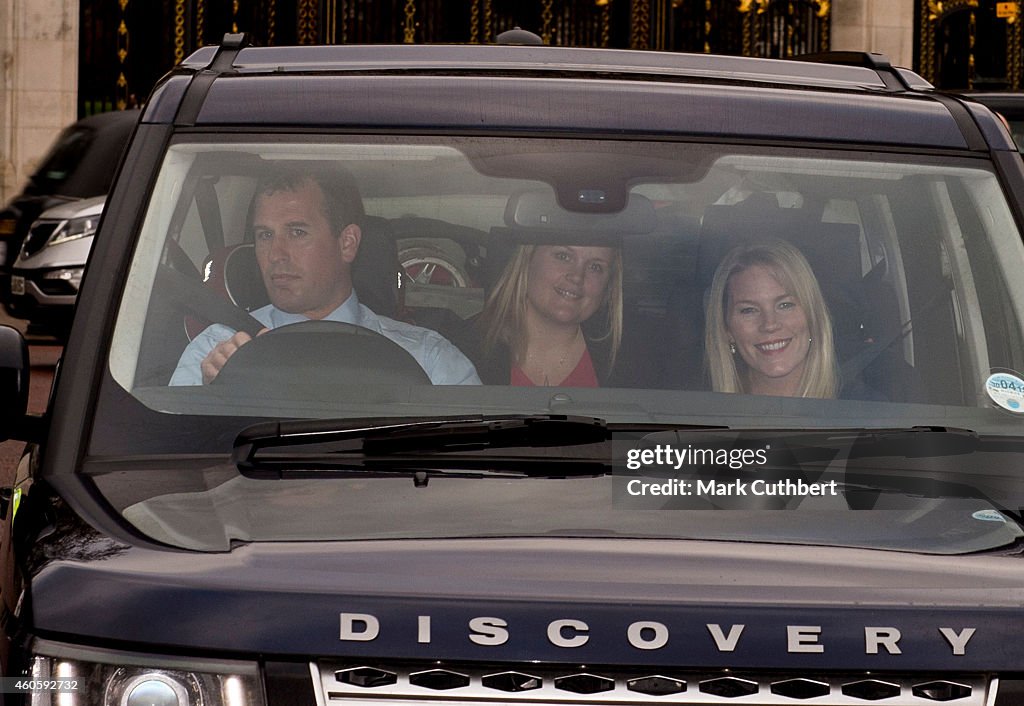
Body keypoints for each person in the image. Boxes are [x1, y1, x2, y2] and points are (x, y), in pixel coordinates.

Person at [170, 164, 480, 386]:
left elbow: (472, 467)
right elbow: (182, 468)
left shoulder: (428, 360)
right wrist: (213, 399)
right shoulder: (216, 353)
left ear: (347, 243)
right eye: (265, 235)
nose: (276, 253)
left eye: (297, 232)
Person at [457, 243, 623, 386]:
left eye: (595, 267)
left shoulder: (630, 362)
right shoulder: (460, 349)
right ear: (527, 260)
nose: (577, 277)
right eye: (563, 256)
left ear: (608, 286)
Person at [705, 239, 839, 398]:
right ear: (727, 329)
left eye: (785, 305)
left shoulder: (866, 413)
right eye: (749, 310)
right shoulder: (694, 416)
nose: (769, 324)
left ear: (813, 316)